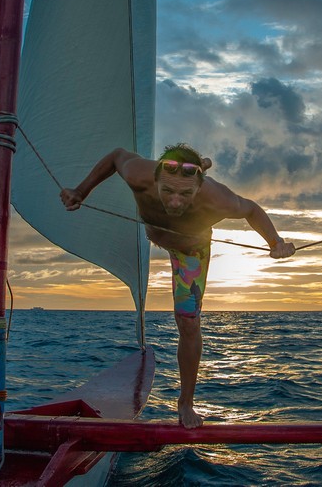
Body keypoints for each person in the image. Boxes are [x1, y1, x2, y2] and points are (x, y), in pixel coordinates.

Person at [60, 143, 296, 429]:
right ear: (155, 180)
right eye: (167, 191)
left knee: (188, 322)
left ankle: (185, 402)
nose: (174, 201)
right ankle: (201, 162)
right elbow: (115, 155)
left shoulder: (218, 199)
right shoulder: (139, 174)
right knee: (185, 169)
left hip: (190, 252)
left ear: (198, 190)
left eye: (185, 193)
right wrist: (81, 191)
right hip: (158, 231)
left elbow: (252, 209)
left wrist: (276, 243)